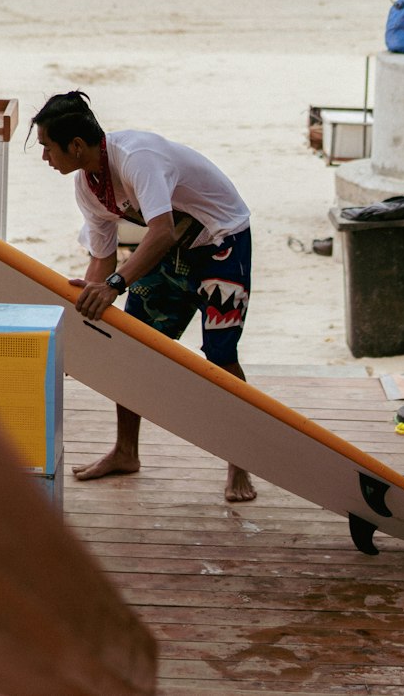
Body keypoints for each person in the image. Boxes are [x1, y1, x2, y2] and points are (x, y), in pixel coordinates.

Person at [31, 89, 256, 502]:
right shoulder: (89, 185)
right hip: (170, 251)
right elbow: (102, 260)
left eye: (47, 147)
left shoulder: (137, 157)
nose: (45, 157)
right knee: (130, 345)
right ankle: (125, 451)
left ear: (76, 145)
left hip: (222, 241)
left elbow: (161, 231)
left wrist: (115, 286)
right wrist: (84, 320)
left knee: (220, 355)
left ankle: (239, 462)